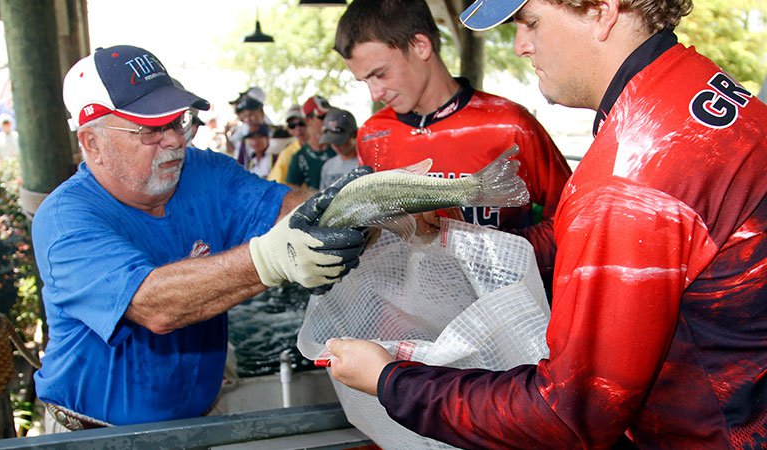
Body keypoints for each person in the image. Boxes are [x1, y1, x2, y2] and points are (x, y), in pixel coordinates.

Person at [327, 0, 767, 448]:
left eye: (530, 23)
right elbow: (578, 239)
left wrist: (390, 381)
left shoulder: (629, 173)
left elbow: (566, 417)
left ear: (602, 10)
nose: (520, 45)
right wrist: (451, 238)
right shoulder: (698, 88)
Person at [32, 45, 370, 431]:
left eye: (178, 121)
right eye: (150, 129)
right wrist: (273, 258)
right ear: (93, 143)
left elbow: (290, 207)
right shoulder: (64, 221)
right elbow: (155, 305)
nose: (176, 140)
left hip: (196, 424)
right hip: (91, 435)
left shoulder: (204, 172)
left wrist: (370, 204)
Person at [334, 0, 571, 286]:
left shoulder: (509, 124)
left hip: (495, 316)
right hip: (402, 319)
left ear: (421, 45)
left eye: (380, 73)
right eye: (364, 81)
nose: (374, 93)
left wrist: (488, 248)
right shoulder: (372, 134)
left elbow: (573, 225)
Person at [285, 95, 336, 190]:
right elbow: (292, 193)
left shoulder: (340, 147)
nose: (328, 120)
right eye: (322, 117)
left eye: (330, 115)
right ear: (308, 120)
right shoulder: (299, 158)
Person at [226, 87, 271, 166]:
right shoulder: (243, 132)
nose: (248, 120)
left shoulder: (273, 132)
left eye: (251, 115)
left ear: (261, 111)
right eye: (245, 116)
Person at [318, 107, 359, 190]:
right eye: (332, 141)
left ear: (354, 135)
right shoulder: (328, 166)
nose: (336, 145)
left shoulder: (364, 164)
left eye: (340, 141)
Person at [267, 104, 307, 184]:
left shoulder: (324, 145)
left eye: (301, 123)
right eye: (292, 126)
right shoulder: (287, 153)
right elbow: (276, 183)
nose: (297, 128)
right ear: (288, 129)